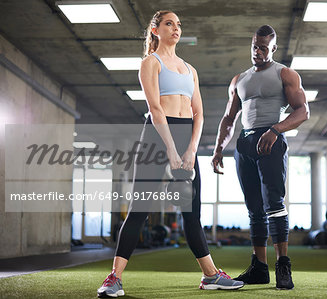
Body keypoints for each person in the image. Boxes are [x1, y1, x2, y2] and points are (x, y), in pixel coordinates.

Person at [97, 10, 244, 297]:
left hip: (186, 137)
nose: (175, 29)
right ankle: (113, 278)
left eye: (178, 25)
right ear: (155, 30)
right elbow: (155, 109)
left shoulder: (191, 70)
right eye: (168, 24)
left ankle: (211, 275)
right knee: (139, 211)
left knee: (192, 213)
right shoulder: (151, 63)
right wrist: (170, 150)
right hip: (157, 137)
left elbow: (199, 114)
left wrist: (190, 150)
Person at [211, 25, 310, 290]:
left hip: (271, 141)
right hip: (245, 144)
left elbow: (302, 111)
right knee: (254, 208)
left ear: (273, 48)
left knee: (274, 203)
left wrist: (276, 130)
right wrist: (219, 148)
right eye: (254, 46)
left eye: (263, 47)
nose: (257, 51)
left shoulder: (285, 74)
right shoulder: (239, 79)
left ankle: (283, 266)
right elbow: (229, 118)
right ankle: (259, 267)